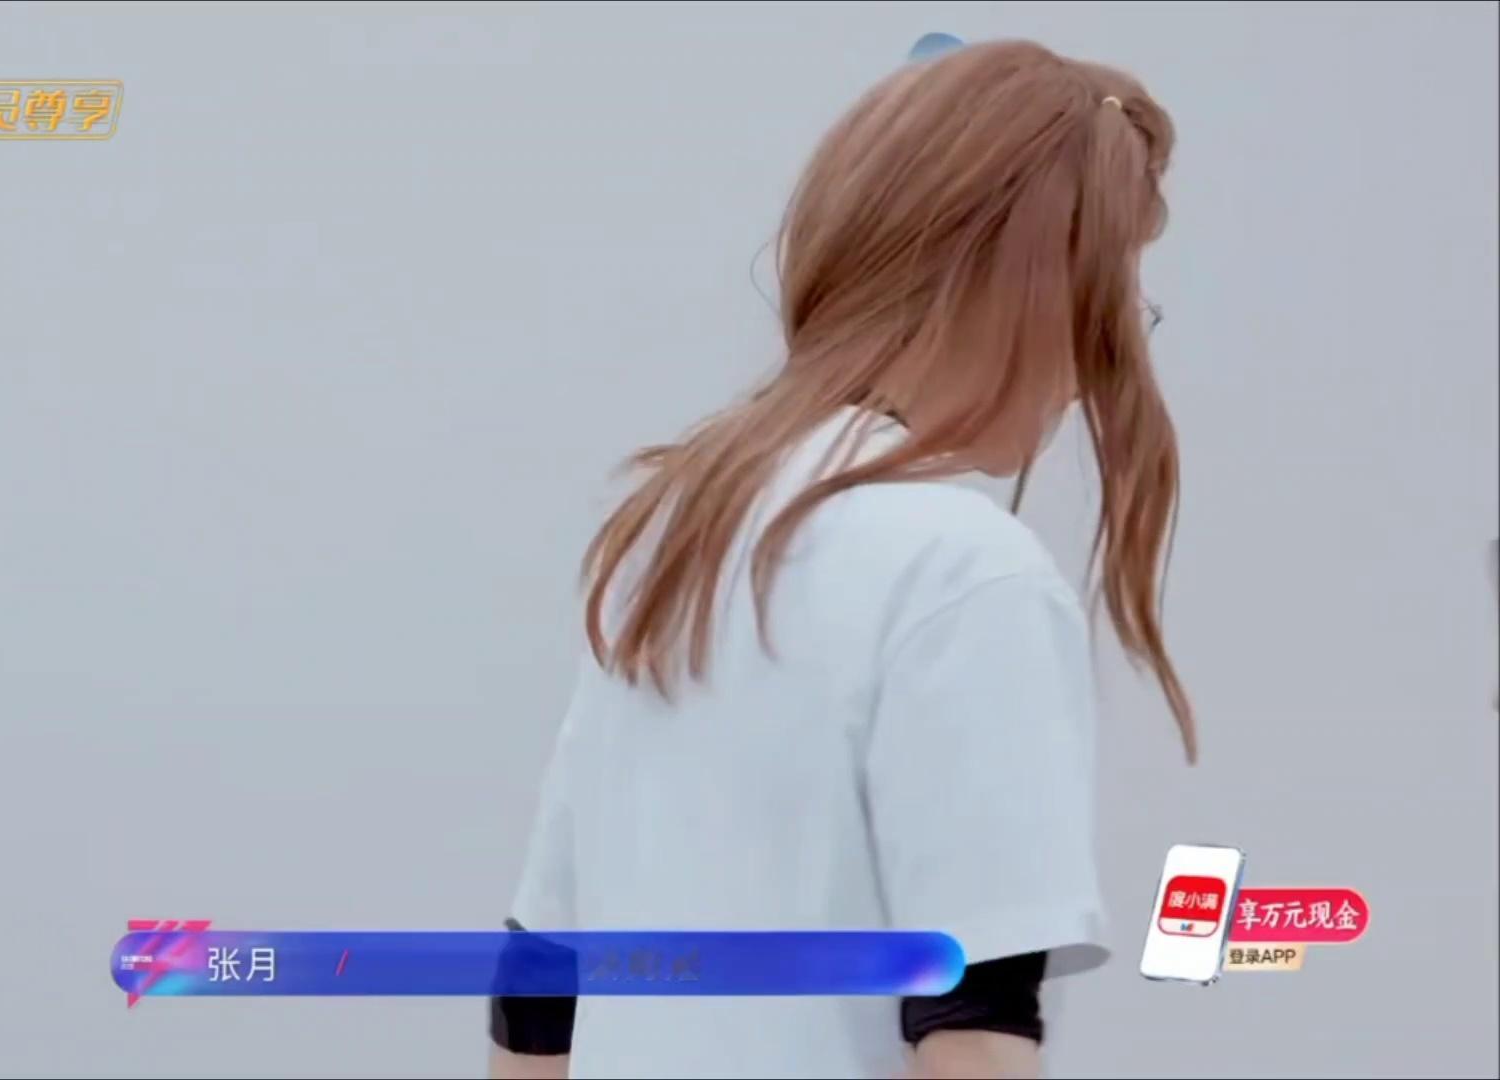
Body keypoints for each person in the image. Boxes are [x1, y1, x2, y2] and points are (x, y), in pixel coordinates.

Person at [488, 37, 1192, 1080]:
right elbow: (974, 1032)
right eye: (1113, 301)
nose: (1095, 371)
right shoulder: (969, 579)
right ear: (1031, 288)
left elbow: (536, 991)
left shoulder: (673, 538)